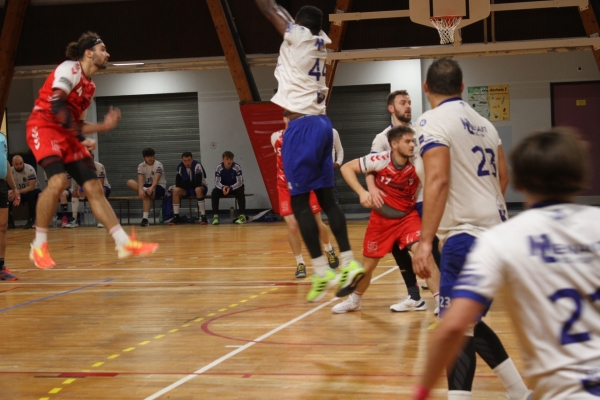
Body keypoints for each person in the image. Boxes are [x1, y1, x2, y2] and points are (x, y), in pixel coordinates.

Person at [415, 128, 596, 400]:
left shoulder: (502, 240)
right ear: (582, 178)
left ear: (519, 183)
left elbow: (453, 327)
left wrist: (421, 391)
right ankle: (518, 391)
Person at [412, 58, 528, 400]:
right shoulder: (485, 124)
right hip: (497, 234)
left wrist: (425, 241)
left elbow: (438, 178)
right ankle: (519, 392)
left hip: (465, 236)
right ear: (462, 87)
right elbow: (502, 177)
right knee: (469, 321)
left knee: (455, 329)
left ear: (426, 88)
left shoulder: (430, 120)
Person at [254, 0, 364, 302]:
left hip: (300, 128)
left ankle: (320, 269)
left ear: (299, 26)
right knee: (328, 201)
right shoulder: (318, 41)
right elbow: (291, 20)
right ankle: (348, 262)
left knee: (300, 203)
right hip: (322, 124)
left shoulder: (299, 36)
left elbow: (271, 11)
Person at [25, 31, 158, 269]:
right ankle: (39, 246)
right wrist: (77, 136)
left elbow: (77, 123)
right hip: (43, 127)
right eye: (103, 49)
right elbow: (57, 105)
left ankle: (123, 242)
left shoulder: (90, 87)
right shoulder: (70, 68)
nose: (107, 54)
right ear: (89, 53)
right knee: (57, 182)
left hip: (66, 134)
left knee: (94, 187)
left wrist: (101, 127)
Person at [333, 126, 439, 313]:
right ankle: (355, 300)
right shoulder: (380, 160)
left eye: (413, 141)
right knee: (368, 266)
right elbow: (346, 167)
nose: (412, 145)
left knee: (425, 254)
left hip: (408, 218)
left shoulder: (419, 162)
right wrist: (362, 192)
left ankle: (442, 302)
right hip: (381, 221)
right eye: (407, 141)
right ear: (394, 144)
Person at [368, 90, 441, 314]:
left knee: (432, 247)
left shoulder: (421, 132)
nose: (408, 106)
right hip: (396, 205)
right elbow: (369, 168)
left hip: (422, 199)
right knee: (397, 248)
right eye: (403, 103)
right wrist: (371, 190)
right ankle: (414, 296)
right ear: (391, 108)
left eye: (409, 102)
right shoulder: (382, 139)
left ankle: (443, 296)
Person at [272, 113, 339, 278]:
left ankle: (329, 249)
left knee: (316, 223)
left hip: (304, 183)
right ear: (285, 119)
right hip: (284, 186)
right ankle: (300, 263)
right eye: (289, 119)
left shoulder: (305, 136)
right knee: (293, 226)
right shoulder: (275, 137)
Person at [66, 153, 111, 228]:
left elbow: (100, 184)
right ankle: (74, 220)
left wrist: (88, 191)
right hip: (87, 189)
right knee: (74, 193)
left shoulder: (99, 166)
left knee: (100, 191)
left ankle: (102, 220)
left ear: (93, 159)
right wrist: (79, 190)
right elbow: (77, 184)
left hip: (103, 188)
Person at [127, 147, 166, 227]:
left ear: (154, 156)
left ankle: (145, 219)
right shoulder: (141, 166)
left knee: (146, 195)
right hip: (146, 187)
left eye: (151, 156)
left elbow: (156, 179)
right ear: (144, 158)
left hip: (158, 186)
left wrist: (151, 188)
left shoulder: (158, 165)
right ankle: (145, 220)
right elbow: (140, 179)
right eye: (148, 157)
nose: (150, 158)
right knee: (130, 182)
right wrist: (141, 190)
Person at [0, 133, 20, 280]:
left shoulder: (2, 137)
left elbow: (5, 163)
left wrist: (14, 188)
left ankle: (1, 267)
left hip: (1, 184)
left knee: (2, 226)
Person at [170, 151, 208, 225]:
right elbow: (177, 184)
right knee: (175, 190)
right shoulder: (180, 167)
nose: (187, 163)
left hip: (202, 187)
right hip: (188, 189)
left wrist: (184, 184)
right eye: (185, 161)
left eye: (189, 160)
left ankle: (203, 216)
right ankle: (176, 216)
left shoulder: (197, 165)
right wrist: (187, 185)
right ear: (182, 160)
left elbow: (197, 184)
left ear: (192, 159)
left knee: (198, 189)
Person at [211, 151, 247, 225]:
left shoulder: (237, 167)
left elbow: (240, 182)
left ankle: (242, 216)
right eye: (227, 159)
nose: (229, 161)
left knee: (241, 191)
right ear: (223, 160)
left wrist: (230, 188)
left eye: (230, 159)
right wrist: (223, 187)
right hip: (223, 188)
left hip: (234, 188)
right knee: (214, 192)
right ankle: (215, 217)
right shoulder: (219, 167)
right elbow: (216, 182)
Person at [8, 155, 41, 229]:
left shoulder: (30, 169)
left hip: (32, 191)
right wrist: (10, 192)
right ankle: (10, 222)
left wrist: (17, 192)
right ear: (12, 163)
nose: (19, 166)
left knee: (31, 194)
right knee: (7, 195)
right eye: (16, 164)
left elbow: (31, 187)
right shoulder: (10, 171)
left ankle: (31, 220)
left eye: (21, 163)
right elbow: (7, 185)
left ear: (23, 162)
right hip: (18, 192)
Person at [332, 128, 344, 203]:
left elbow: (339, 149)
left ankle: (335, 212)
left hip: (329, 168)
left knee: (332, 191)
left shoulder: (332, 131)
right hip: (314, 168)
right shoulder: (310, 131)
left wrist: (338, 162)